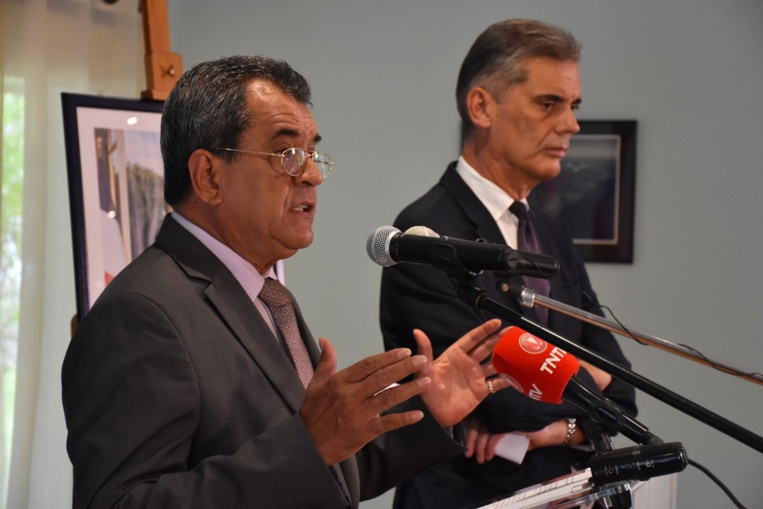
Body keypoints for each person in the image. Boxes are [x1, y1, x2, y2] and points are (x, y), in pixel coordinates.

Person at [61, 55, 511, 509]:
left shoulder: (267, 294)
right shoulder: (140, 315)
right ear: (209, 177)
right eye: (287, 154)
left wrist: (426, 413)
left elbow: (328, 475)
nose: (312, 175)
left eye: (313, 153)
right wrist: (309, 445)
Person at [379, 19, 638, 509]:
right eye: (549, 104)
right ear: (482, 107)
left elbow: (623, 389)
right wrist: (587, 382)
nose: (571, 125)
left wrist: (558, 431)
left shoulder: (552, 233)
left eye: (574, 106)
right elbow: (505, 403)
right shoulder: (426, 233)